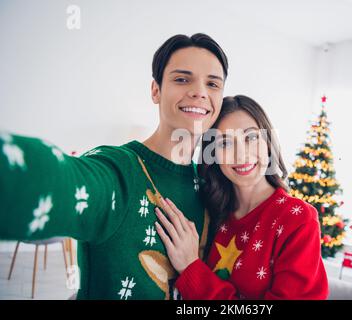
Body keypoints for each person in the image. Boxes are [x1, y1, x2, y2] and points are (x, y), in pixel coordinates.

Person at [0, 33, 228, 299]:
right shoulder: (119, 170)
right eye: (181, 79)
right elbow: (59, 179)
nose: (199, 92)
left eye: (213, 84)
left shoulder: (211, 185)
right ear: (156, 90)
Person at [155, 95, 329, 299]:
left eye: (251, 138)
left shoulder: (297, 219)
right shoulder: (209, 211)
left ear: (268, 142)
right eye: (225, 144)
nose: (241, 154)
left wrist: (191, 269)